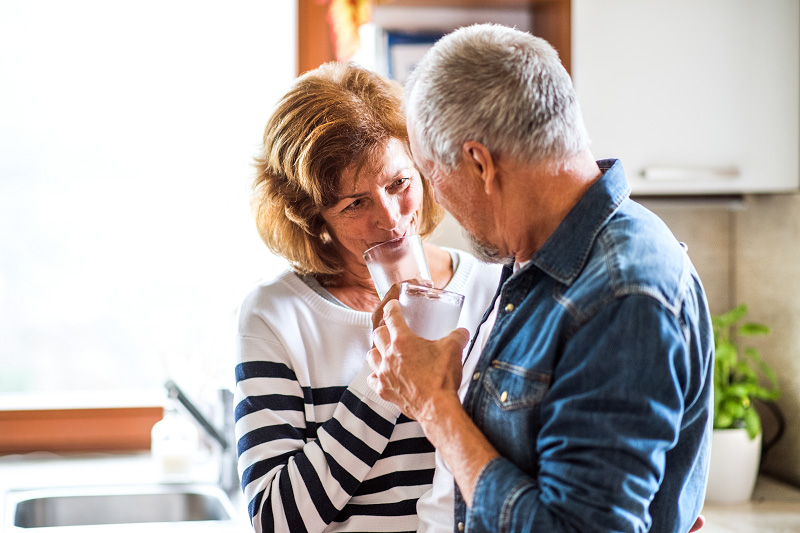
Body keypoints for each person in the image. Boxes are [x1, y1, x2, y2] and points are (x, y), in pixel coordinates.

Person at [367, 24, 713, 533]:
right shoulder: (537, 257)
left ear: (479, 162)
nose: (434, 201)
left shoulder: (624, 295)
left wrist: (434, 407)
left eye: (429, 175)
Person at [233, 62, 503, 533]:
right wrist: (386, 374)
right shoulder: (275, 316)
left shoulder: (492, 286)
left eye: (400, 183)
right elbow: (276, 523)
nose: (393, 218)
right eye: (356, 203)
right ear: (312, 217)